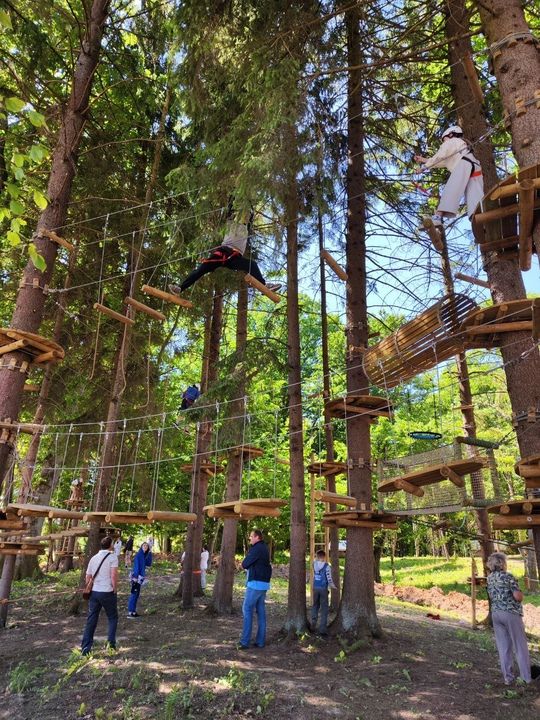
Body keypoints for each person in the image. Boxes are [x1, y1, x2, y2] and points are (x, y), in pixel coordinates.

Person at [168, 218, 281, 297]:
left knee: (252, 264)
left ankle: (264, 286)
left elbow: (248, 216)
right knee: (201, 269)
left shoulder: (246, 228)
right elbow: (232, 207)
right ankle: (180, 288)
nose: (244, 218)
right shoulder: (231, 222)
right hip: (222, 252)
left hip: (234, 258)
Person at [414, 125, 484, 227]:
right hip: (474, 166)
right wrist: (424, 160)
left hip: (463, 164)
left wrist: (424, 167)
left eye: (444, 140)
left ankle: (438, 217)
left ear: (450, 135)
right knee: (475, 194)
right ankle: (480, 220)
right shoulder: (459, 145)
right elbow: (441, 161)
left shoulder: (451, 141)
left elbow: (440, 156)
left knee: (452, 188)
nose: (444, 143)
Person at [486, 551, 531, 685]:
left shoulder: (490, 578)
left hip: (496, 613)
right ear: (502, 563)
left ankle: (508, 678)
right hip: (510, 613)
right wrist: (521, 593)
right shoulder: (508, 576)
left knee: (503, 647)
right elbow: (518, 597)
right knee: (520, 646)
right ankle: (526, 678)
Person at [80, 536, 118, 655]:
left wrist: (90, 586)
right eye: (113, 543)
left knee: (91, 619)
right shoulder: (113, 557)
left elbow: (88, 577)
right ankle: (111, 645)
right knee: (112, 617)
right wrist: (115, 588)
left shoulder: (94, 558)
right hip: (107, 591)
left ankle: (85, 648)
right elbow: (113, 575)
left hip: (95, 592)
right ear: (110, 545)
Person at [239, 529, 272, 650]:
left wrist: (243, 563)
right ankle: (260, 641)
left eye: (251, 536)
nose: (250, 538)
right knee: (260, 612)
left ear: (257, 537)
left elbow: (245, 564)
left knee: (247, 609)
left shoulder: (256, 548)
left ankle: (244, 641)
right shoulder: (264, 548)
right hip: (264, 584)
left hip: (255, 584)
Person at [311, 549, 337, 636]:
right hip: (323, 589)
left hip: (315, 587)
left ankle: (313, 623)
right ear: (324, 557)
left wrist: (316, 558)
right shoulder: (327, 566)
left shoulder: (314, 564)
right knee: (324, 608)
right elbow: (329, 579)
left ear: (317, 556)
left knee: (315, 605)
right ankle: (322, 628)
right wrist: (333, 586)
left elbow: (315, 561)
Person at [127, 542, 153, 618]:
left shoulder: (144, 555)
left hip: (140, 578)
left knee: (136, 594)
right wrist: (135, 577)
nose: (145, 546)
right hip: (136, 578)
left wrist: (150, 552)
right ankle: (130, 612)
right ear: (141, 546)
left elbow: (149, 563)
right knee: (134, 594)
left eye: (147, 546)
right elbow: (136, 566)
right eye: (144, 545)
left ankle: (133, 611)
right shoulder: (139, 555)